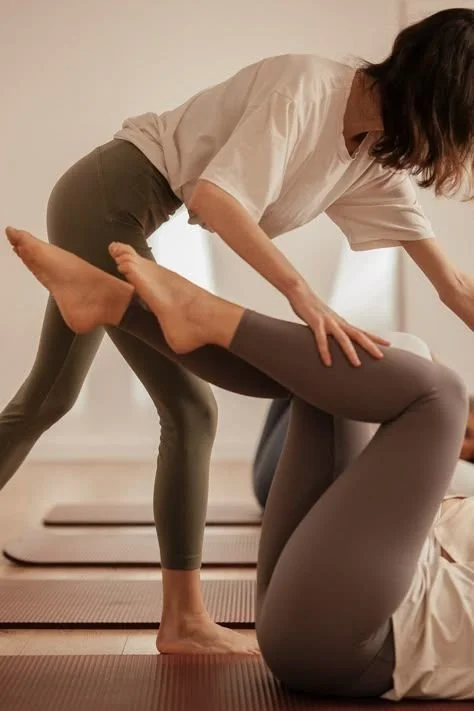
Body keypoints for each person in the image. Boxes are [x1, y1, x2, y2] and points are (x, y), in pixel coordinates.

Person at [1, 7, 473, 654]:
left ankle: (182, 620)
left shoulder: (370, 157)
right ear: (435, 92)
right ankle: (184, 621)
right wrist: (302, 295)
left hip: (124, 212)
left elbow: (452, 284)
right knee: (191, 410)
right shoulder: (308, 88)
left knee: (47, 399)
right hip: (106, 195)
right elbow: (216, 201)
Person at [5, 227, 474, 701]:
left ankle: (176, 314)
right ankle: (118, 307)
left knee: (442, 398)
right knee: (352, 350)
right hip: (335, 595)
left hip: (356, 638)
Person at [253, 394, 474, 509]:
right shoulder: (422, 429)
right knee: (302, 370)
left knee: (323, 376)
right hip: (275, 480)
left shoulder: (443, 467)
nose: (456, 432)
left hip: (280, 489)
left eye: (466, 434)